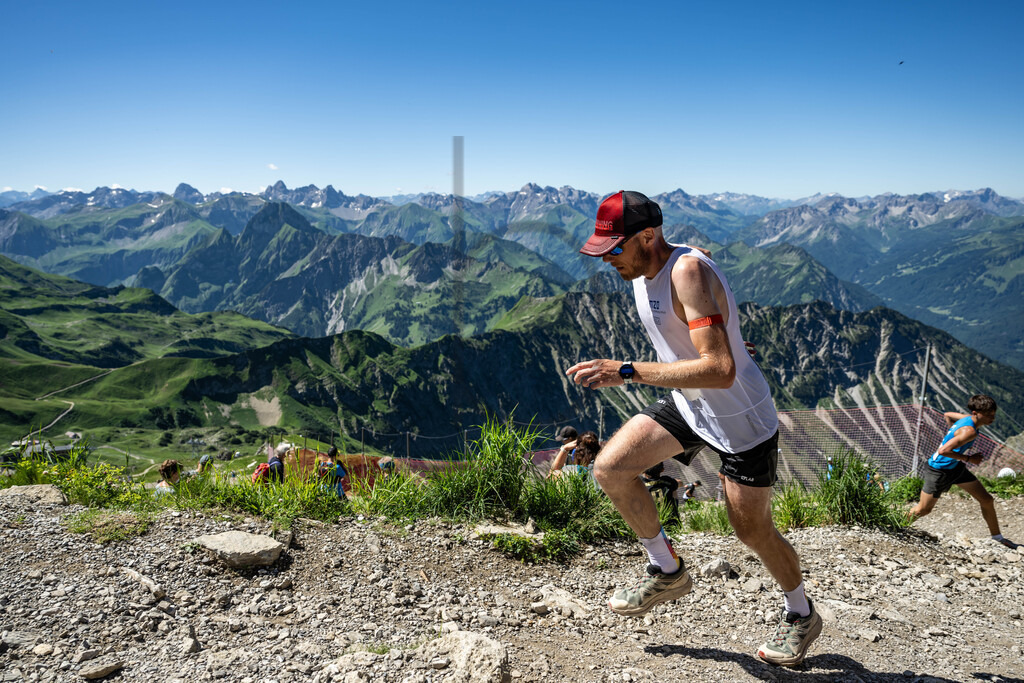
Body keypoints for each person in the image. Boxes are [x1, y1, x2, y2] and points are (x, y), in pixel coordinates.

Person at [566, 190, 821, 666]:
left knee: (752, 531)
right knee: (610, 469)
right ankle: (667, 570)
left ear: (647, 236)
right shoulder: (651, 263)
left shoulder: (685, 270)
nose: (608, 262)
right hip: (690, 405)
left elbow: (720, 368)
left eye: (614, 249)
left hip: (741, 418)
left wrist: (625, 370)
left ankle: (802, 613)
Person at [910, 395, 1017, 549]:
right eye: (987, 415)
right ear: (975, 413)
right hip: (939, 470)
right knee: (923, 509)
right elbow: (943, 450)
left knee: (986, 500)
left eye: (993, 414)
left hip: (955, 468)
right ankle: (892, 525)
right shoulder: (969, 431)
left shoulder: (966, 419)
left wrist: (953, 435)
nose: (991, 418)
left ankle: (998, 538)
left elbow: (948, 415)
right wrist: (968, 458)